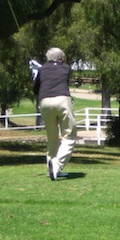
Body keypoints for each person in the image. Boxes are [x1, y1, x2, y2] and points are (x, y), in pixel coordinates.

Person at [33, 47, 77, 180]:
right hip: (62, 100)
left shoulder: (42, 69)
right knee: (69, 134)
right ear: (62, 58)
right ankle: (57, 164)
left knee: (52, 137)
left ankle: (52, 169)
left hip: (45, 101)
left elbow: (36, 89)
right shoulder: (66, 67)